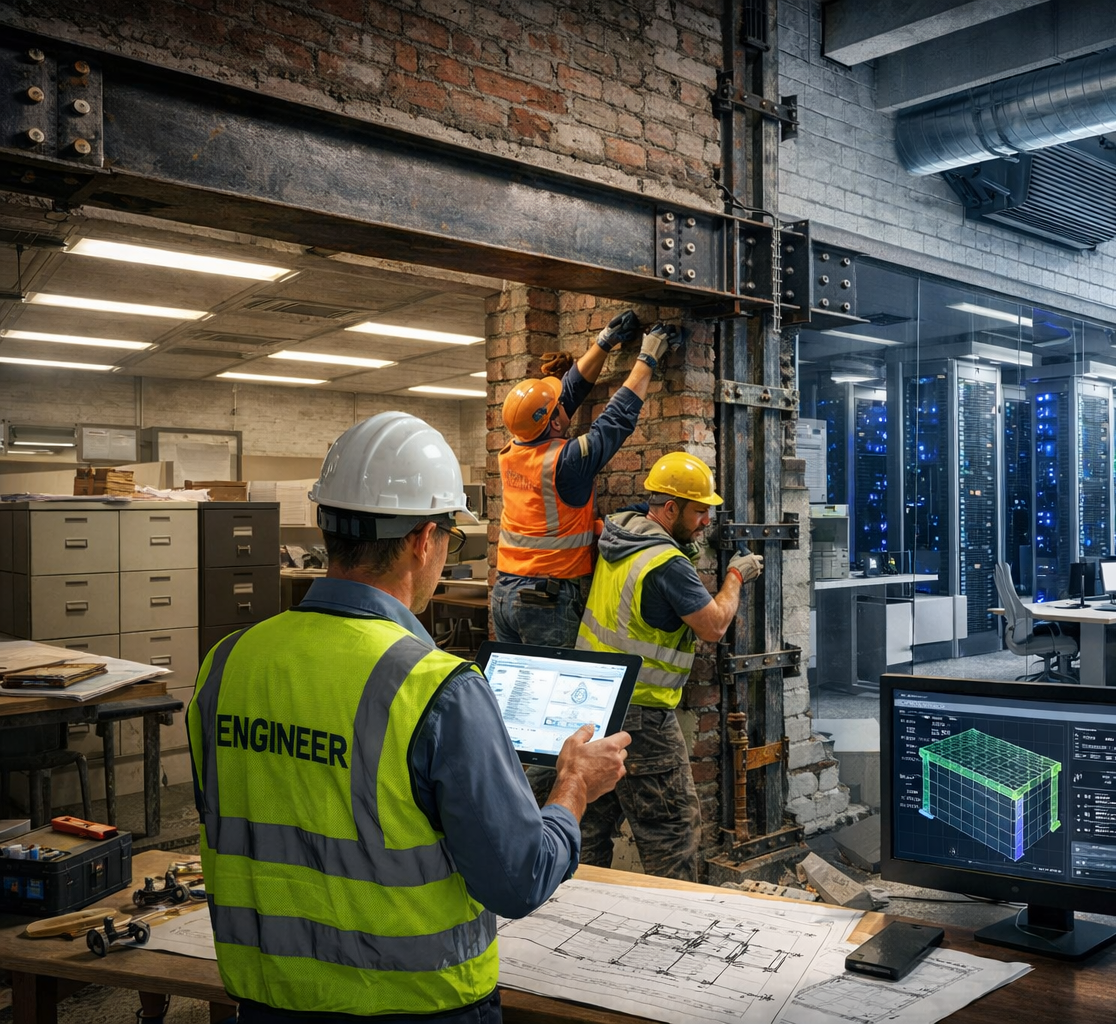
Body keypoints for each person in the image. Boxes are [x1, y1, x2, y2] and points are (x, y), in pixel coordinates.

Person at [187, 412, 630, 1023]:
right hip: (418, 1004)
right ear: (424, 539)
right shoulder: (438, 689)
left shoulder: (225, 664)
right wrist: (574, 784)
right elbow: (519, 880)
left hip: (268, 1001)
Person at [574, 451, 764, 881]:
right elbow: (713, 625)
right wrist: (735, 576)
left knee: (589, 826)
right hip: (641, 716)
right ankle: (673, 915)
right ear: (671, 508)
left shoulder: (621, 536)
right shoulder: (666, 562)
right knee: (671, 832)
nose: (706, 522)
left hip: (595, 704)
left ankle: (581, 906)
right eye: (699, 512)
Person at [492, 311, 681, 648]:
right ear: (554, 423)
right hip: (544, 601)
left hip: (504, 593)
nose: (562, 400)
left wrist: (604, 343)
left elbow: (566, 395)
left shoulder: (513, 449)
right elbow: (616, 420)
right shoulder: (566, 463)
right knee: (555, 681)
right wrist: (647, 357)